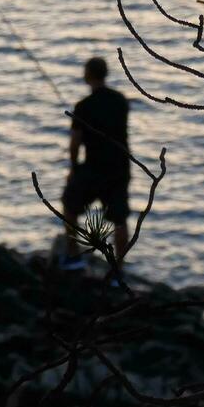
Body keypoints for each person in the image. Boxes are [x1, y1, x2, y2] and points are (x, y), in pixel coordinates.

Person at [57, 56, 131, 270]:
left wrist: (72, 168)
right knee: (120, 218)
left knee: (70, 206)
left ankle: (73, 256)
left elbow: (75, 143)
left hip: (93, 168)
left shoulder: (83, 107)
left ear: (87, 75)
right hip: (119, 167)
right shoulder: (120, 101)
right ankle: (119, 267)